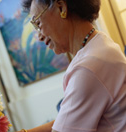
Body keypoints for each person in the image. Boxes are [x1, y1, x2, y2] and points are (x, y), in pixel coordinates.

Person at [17, 0, 126, 131]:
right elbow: (65, 122)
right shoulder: (99, 44)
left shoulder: (88, 67)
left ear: (61, 7)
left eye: (38, 23)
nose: (39, 36)